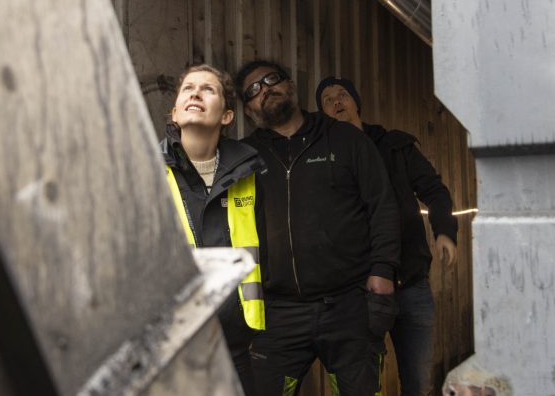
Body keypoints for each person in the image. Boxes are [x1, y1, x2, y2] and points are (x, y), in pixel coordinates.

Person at [234, 60, 400, 396]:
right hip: (278, 311)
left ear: (291, 85)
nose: (265, 89)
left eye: (271, 79)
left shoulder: (345, 138)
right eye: (253, 90)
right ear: (249, 111)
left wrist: (383, 270)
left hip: (349, 304)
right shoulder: (244, 158)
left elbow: (382, 205)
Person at [316, 76, 459, 396]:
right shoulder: (324, 158)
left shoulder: (395, 145)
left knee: (418, 382)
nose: (337, 101)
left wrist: (445, 232)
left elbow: (434, 191)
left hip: (411, 282)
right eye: (327, 99)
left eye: (343, 94)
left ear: (356, 102)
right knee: (364, 385)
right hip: (359, 291)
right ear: (322, 114)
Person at [161, 64, 267, 395]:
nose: (196, 93)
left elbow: (262, 252)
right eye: (188, 88)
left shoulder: (248, 174)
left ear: (227, 116)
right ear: (175, 113)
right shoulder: (148, 170)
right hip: (173, 350)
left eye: (208, 89)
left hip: (235, 347)